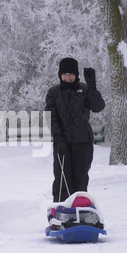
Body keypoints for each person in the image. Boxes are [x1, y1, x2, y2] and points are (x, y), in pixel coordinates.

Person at [45, 58, 105, 203]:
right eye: (64, 74)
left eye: (71, 74)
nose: (67, 77)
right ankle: (60, 211)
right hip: (62, 144)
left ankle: (79, 212)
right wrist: (58, 139)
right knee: (62, 179)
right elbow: (50, 118)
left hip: (83, 143)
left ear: (76, 75)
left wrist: (92, 87)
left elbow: (98, 107)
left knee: (81, 179)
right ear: (60, 75)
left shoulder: (84, 90)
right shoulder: (54, 92)